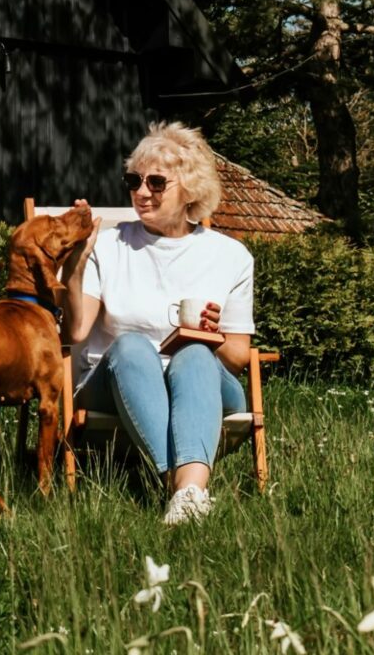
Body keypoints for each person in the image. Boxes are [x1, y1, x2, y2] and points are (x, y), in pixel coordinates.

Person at [65, 122, 255, 525]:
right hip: (114, 384)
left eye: (155, 182)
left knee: (194, 352)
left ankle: (185, 493)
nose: (140, 191)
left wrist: (213, 336)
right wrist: (76, 268)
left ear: (190, 190)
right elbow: (75, 332)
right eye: (133, 180)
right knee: (132, 345)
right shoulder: (110, 246)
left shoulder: (230, 256)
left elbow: (237, 357)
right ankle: (187, 489)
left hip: (203, 387)